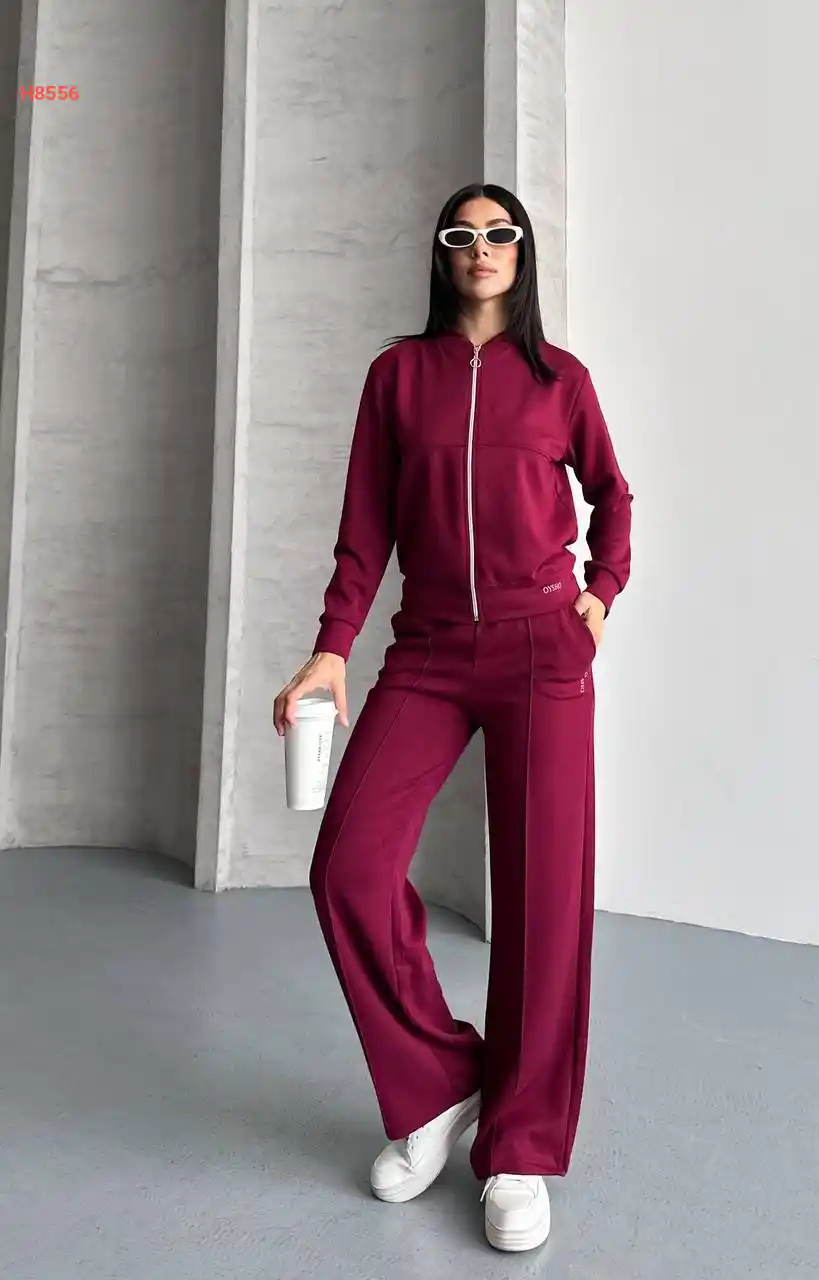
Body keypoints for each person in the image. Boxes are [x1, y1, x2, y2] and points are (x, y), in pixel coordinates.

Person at [273, 182, 632, 1252]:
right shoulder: (397, 377)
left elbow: (613, 496)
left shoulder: (561, 380)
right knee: (348, 866)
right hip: (428, 650)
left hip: (541, 650)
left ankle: (520, 1145)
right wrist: (333, 645)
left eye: (500, 233)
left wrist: (599, 596)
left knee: (541, 902)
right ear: (441, 254)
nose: (482, 248)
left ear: (523, 253)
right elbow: (364, 527)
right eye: (462, 235)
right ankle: (438, 1084)